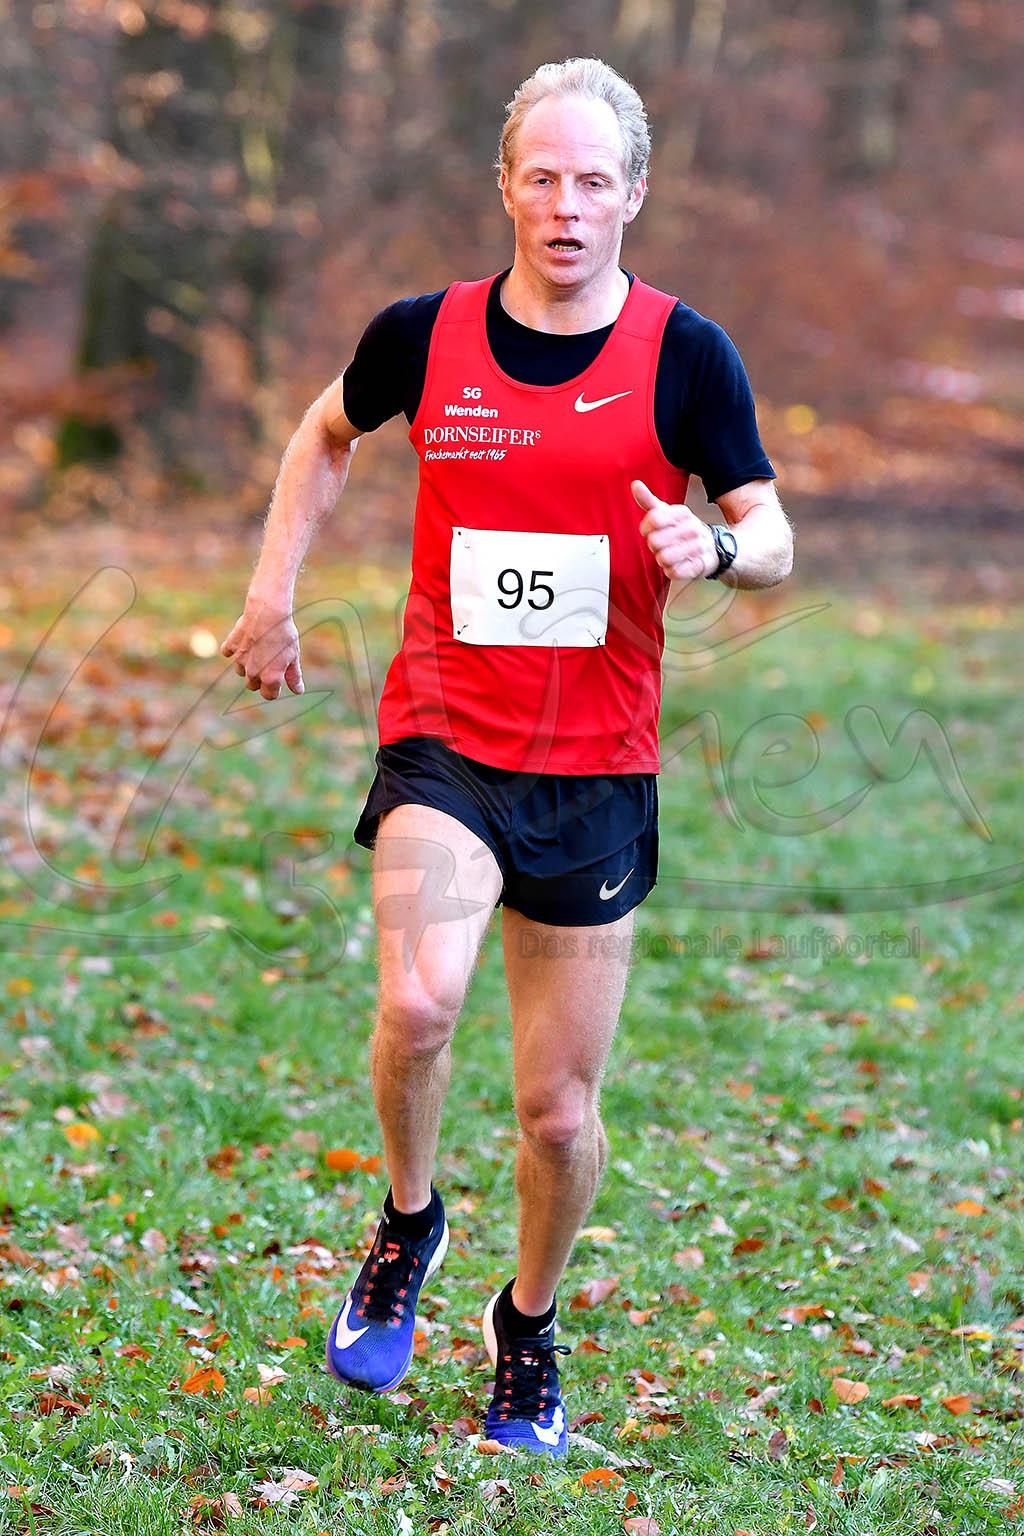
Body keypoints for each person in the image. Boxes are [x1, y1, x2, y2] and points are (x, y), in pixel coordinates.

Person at [220, 56, 793, 1457]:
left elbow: (773, 537)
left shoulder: (686, 355)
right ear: (506, 187)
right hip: (446, 739)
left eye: (594, 180)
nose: (566, 204)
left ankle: (525, 1324)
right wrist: (271, 594)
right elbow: (323, 433)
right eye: (543, 176)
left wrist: (715, 547)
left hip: (596, 767)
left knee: (554, 1111)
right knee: (420, 1006)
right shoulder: (426, 337)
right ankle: (408, 1221)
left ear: (633, 193)